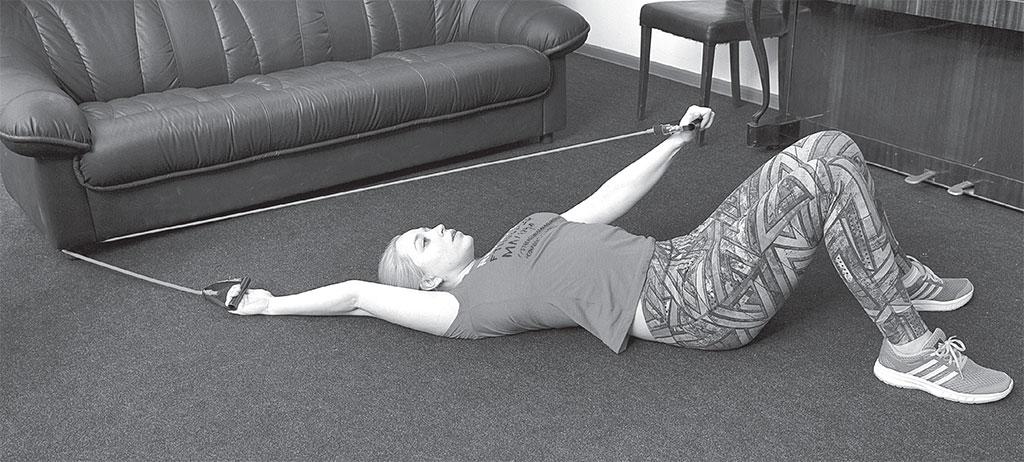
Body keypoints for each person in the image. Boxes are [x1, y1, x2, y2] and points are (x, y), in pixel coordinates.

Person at [220, 106, 1012, 404]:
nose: (433, 228)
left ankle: (889, 276)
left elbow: (608, 197)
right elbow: (360, 293)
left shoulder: (526, 230)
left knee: (828, 150)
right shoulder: (460, 306)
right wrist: (270, 304)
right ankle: (909, 350)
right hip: (690, 305)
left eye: (422, 226)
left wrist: (676, 140)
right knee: (819, 163)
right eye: (420, 242)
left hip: (690, 256)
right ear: (424, 281)